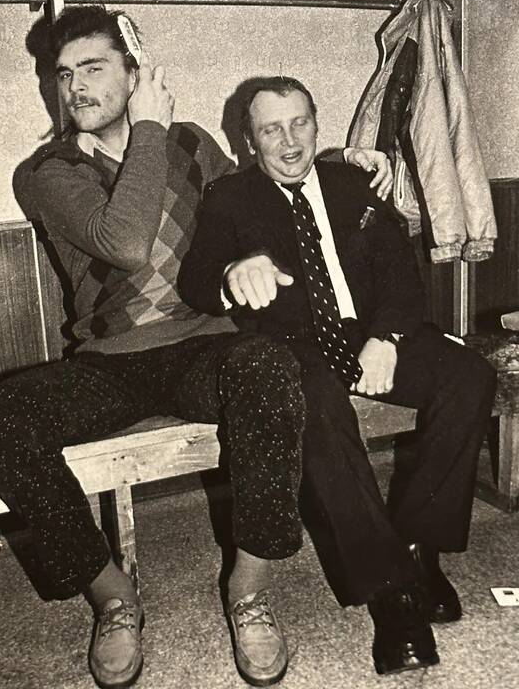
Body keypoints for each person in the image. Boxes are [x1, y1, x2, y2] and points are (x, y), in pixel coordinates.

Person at [0, 6, 392, 689]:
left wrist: (338, 164)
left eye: (93, 68)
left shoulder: (191, 144)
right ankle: (114, 597)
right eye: (64, 74)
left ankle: (248, 591)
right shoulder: (48, 170)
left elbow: (263, 189)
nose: (75, 86)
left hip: (205, 346)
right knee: (2, 416)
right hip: (112, 362)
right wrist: (149, 130)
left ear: (134, 74)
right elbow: (125, 242)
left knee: (269, 365)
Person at [178, 75, 497, 677]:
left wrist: (387, 339)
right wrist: (230, 273)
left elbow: (401, 278)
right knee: (317, 410)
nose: (289, 140)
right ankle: (391, 594)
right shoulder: (230, 198)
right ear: (249, 140)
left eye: (299, 123)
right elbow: (195, 280)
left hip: (368, 333)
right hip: (291, 347)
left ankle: (417, 548)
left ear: (316, 124)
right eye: (271, 129)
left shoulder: (354, 185)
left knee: (468, 375)